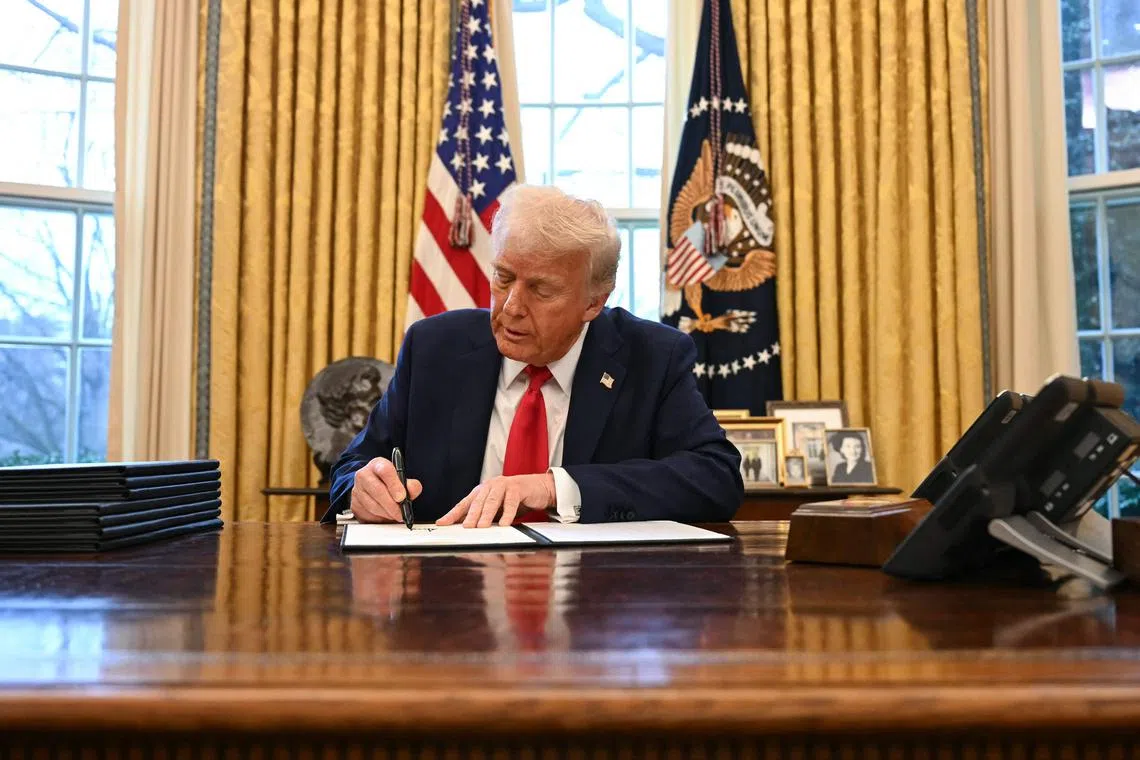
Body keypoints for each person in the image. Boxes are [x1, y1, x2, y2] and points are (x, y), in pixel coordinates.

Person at [321, 184, 743, 527]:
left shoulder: (652, 357)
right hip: (449, 603)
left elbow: (715, 478)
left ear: (594, 302)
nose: (511, 308)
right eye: (503, 278)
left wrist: (554, 487)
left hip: (592, 607)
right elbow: (352, 466)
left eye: (541, 290)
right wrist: (359, 487)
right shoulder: (434, 349)